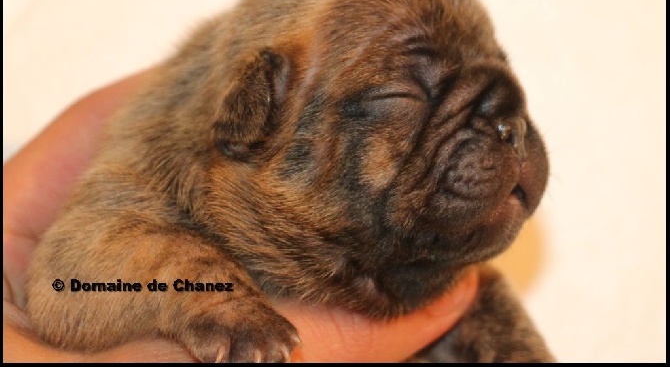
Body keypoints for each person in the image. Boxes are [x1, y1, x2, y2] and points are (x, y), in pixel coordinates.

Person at [3, 70, 478, 362]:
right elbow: (69, 283)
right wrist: (211, 296)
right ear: (256, 108)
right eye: (405, 99)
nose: (500, 132)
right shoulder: (154, 173)